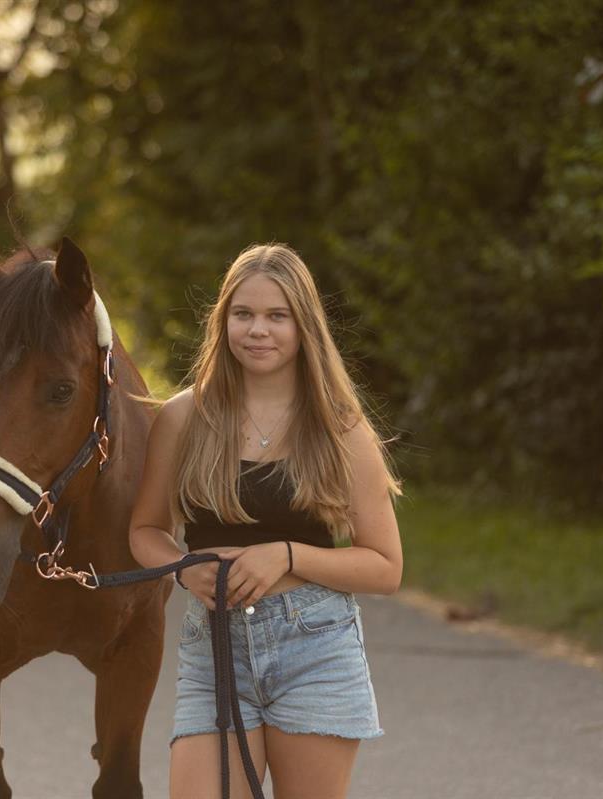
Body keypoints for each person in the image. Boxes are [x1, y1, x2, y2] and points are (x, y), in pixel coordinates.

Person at [128, 242, 403, 799]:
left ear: (304, 327)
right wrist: (184, 569)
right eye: (243, 314)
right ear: (223, 321)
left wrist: (288, 554)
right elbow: (144, 531)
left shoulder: (340, 430)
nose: (259, 330)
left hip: (314, 647)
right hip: (214, 647)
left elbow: (385, 567)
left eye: (277, 316)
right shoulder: (184, 417)